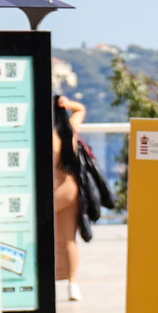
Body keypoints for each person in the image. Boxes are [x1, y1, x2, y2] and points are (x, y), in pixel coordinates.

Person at [51, 95, 114, 300]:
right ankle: (72, 284)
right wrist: (68, 104)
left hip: (51, 194)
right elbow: (81, 109)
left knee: (41, 239)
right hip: (72, 191)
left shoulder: (43, 135)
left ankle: (44, 281)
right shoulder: (68, 129)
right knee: (69, 240)